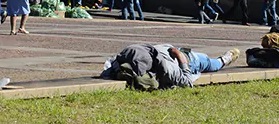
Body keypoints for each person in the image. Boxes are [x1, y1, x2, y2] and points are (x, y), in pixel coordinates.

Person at [102, 43, 240, 90]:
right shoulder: (167, 69)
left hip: (185, 57)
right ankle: (224, 59)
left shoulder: (132, 53)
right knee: (212, 64)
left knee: (211, 63)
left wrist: (178, 54)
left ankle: (225, 58)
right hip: (186, 59)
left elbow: (111, 65)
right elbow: (186, 82)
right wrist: (179, 56)